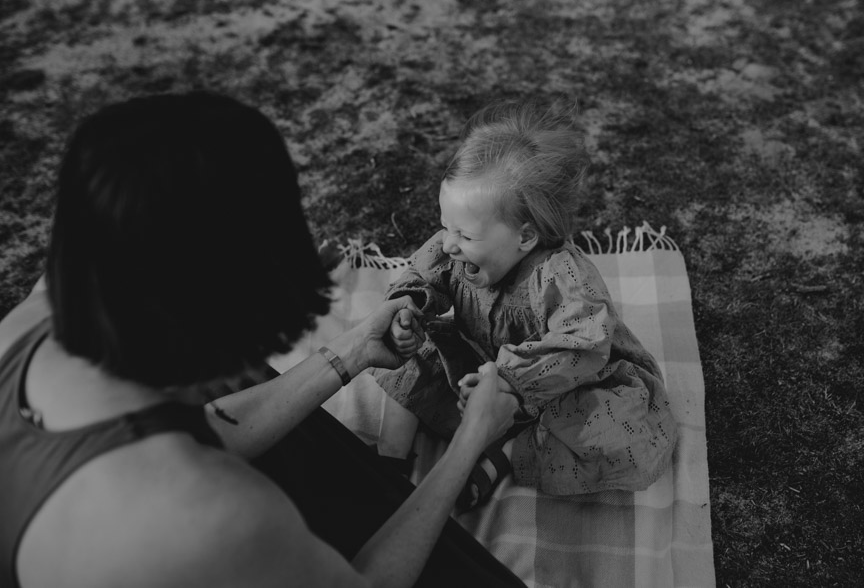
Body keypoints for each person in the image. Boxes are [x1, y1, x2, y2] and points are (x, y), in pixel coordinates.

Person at [0, 92, 523, 588]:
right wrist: (469, 440)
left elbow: (194, 429)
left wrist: (356, 348)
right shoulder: (214, 516)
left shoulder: (35, 317)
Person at [373, 99, 678, 509]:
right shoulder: (456, 247)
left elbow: (583, 346)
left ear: (525, 237)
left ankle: (505, 454)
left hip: (565, 384)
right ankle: (386, 461)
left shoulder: (565, 278)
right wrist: (408, 308)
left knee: (627, 435)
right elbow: (422, 274)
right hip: (480, 365)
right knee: (410, 347)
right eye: (445, 225)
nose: (447, 243)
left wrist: (510, 384)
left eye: (463, 234)